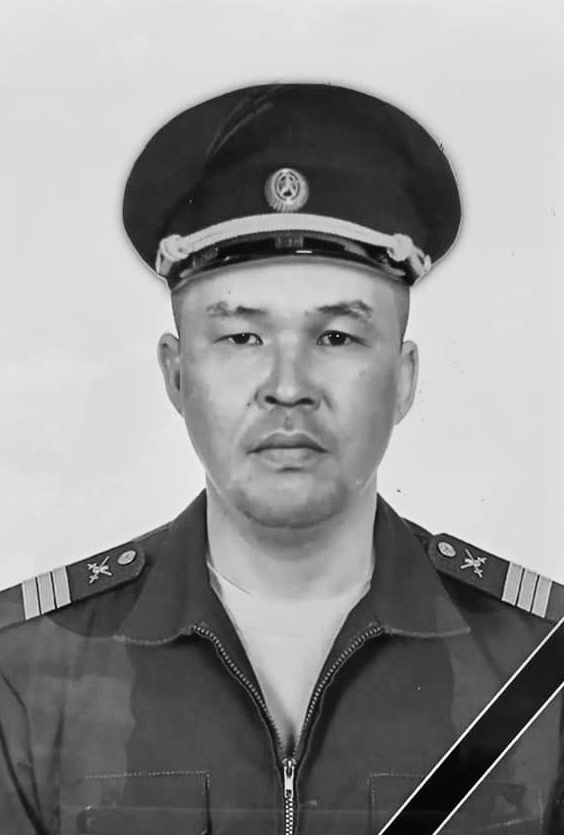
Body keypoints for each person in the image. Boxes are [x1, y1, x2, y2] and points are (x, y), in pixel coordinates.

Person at [0, 83, 562, 834]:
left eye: (336, 337)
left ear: (402, 380)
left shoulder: (541, 666)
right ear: (177, 374)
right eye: (241, 338)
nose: (288, 386)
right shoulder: (28, 676)